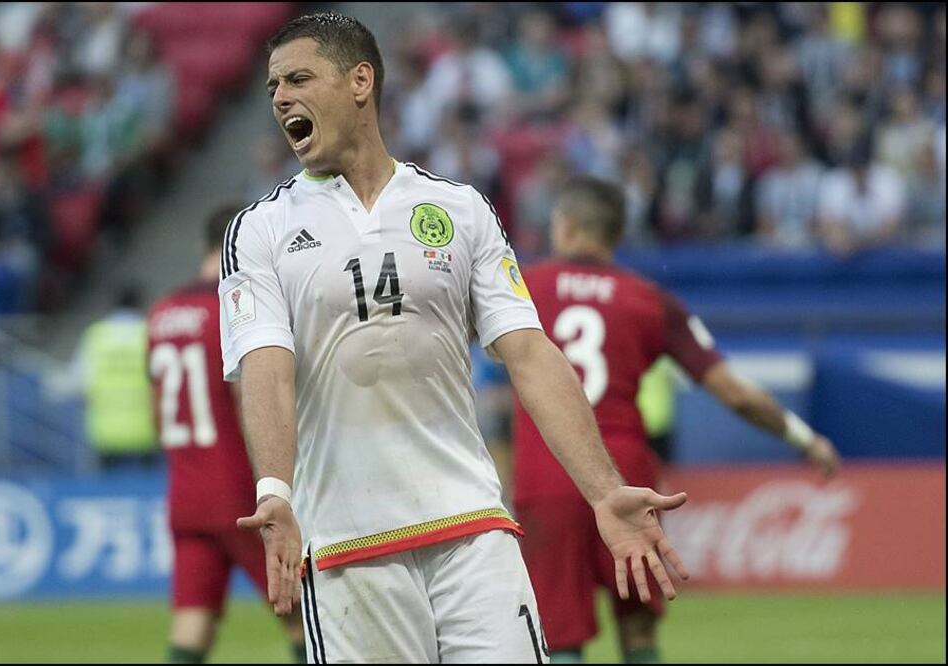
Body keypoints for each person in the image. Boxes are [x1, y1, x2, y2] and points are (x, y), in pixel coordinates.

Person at [219, 13, 690, 663]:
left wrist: (604, 492)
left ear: (360, 81)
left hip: (471, 528)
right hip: (347, 546)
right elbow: (265, 362)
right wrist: (274, 490)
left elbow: (528, 353)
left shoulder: (459, 209)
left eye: (298, 78)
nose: (280, 98)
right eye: (273, 86)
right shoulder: (259, 230)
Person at [514, 175, 842, 663]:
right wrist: (804, 438)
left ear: (566, 225)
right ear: (615, 235)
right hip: (625, 474)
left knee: (558, 637)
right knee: (640, 631)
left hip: (546, 473)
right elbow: (733, 392)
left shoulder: (524, 286)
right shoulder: (649, 300)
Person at [147, 206, 304, 664]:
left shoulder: (161, 313)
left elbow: (158, 414)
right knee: (300, 614)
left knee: (191, 627)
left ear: (203, 246)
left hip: (185, 493)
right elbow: (250, 398)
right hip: (242, 494)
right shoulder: (234, 307)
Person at [75, 284, 159, 470]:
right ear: (140, 305)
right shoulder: (150, 333)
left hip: (104, 431)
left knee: (106, 495)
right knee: (148, 493)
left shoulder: (95, 335)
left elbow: (80, 384)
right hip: (146, 431)